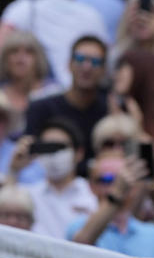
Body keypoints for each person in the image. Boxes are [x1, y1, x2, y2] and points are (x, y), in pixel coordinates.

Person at [0, 0, 109, 88]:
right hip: (78, 92)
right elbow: (105, 58)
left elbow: (2, 46)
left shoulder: (24, 8)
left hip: (35, 94)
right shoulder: (92, 15)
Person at [24, 34, 110, 168]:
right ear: (69, 64)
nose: (86, 67)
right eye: (80, 59)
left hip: (101, 183)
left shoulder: (110, 109)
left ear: (104, 69)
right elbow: (32, 158)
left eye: (95, 61)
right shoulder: (40, 108)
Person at [21, 119, 97, 240]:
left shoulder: (94, 194)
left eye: (60, 147)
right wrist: (13, 169)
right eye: (47, 147)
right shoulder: (25, 194)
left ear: (79, 152)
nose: (53, 154)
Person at [0, 31, 60, 137]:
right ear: (5, 59)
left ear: (39, 59)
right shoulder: (1, 94)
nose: (20, 59)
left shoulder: (54, 93)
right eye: (14, 52)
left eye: (28, 52)